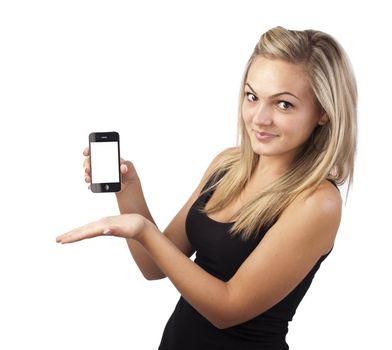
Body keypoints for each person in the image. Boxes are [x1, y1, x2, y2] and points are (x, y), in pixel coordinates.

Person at [56, 26, 357, 349]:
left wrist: (143, 230)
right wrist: (128, 190)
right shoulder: (227, 165)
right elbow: (155, 265)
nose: (259, 118)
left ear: (323, 112)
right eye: (252, 97)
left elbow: (227, 309)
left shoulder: (317, 201)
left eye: (283, 105)